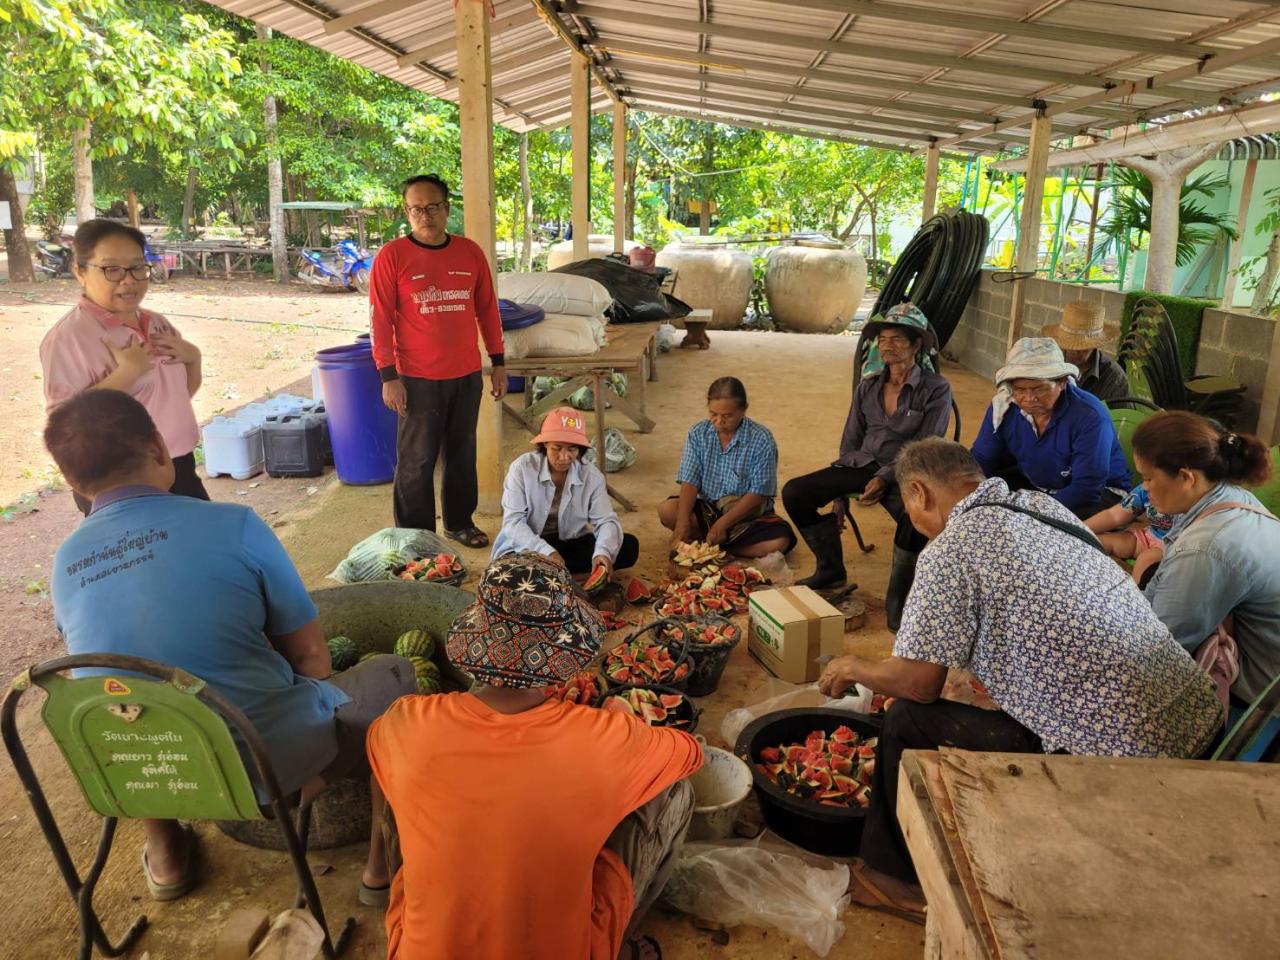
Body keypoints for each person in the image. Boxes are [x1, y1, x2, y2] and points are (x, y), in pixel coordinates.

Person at [817, 438, 1222, 923]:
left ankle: (890, 878)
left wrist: (852, 667)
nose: (918, 526)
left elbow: (919, 682)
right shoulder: (1040, 505)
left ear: (920, 493)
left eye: (910, 510)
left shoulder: (953, 547)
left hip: (1128, 762)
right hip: (1198, 724)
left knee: (906, 717)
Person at [45, 389, 412, 906]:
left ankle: (167, 853)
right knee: (395, 674)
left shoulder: (65, 562)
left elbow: (110, 661)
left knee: (133, 700)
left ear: (71, 481)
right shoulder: (232, 524)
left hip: (138, 771)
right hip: (260, 771)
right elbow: (312, 659)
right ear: (157, 447)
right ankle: (380, 868)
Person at [367, 552, 702, 960]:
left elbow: (378, 749)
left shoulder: (405, 722)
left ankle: (375, 877)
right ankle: (619, 940)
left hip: (418, 951)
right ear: (562, 656)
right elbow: (689, 754)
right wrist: (625, 722)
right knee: (677, 792)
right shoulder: (602, 737)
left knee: (392, 773)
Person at [781, 302, 952, 627]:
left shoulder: (936, 389)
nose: (887, 345)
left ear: (916, 345)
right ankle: (830, 567)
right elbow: (850, 442)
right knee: (795, 492)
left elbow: (926, 445)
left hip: (908, 472)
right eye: (882, 338)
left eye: (897, 339)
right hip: (861, 466)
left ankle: (898, 597)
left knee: (914, 516)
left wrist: (886, 477)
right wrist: (840, 490)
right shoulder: (868, 386)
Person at [371, 173, 506, 548]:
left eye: (432, 207)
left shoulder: (470, 252)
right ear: (406, 211)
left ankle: (460, 522)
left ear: (447, 209)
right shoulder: (392, 256)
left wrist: (498, 361)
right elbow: (379, 319)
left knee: (462, 454)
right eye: (415, 209)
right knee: (416, 462)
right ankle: (416, 537)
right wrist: (388, 375)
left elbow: (487, 311)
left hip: (465, 374)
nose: (424, 215)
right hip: (416, 378)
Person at [40, 219, 206, 515]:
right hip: (121, 482)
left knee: (200, 550)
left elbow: (180, 394)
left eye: (137, 267)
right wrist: (126, 375)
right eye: (111, 269)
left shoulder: (156, 323)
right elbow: (64, 428)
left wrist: (193, 357)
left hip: (178, 464)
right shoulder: (69, 338)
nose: (128, 280)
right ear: (80, 271)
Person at [1135, 412, 1279, 708]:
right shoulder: (1230, 497)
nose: (1145, 488)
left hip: (1259, 699)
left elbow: (1156, 652)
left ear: (1187, 477)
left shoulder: (1206, 548)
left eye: (1148, 478)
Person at [972, 337, 1131, 519]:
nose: (1029, 398)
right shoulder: (1003, 406)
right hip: (1041, 486)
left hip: (1098, 493)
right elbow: (982, 460)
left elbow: (1087, 486)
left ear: (1062, 382)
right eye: (1020, 390)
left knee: (1048, 529)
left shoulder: (1089, 415)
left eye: (1039, 389)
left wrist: (1032, 512)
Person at [491, 406, 640, 579]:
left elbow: (606, 520)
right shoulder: (522, 469)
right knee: (509, 567)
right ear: (545, 444)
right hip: (528, 544)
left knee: (628, 546)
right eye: (557, 447)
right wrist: (545, 552)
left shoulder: (591, 476)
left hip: (569, 542)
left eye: (572, 449)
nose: (564, 457)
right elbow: (513, 524)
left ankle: (552, 578)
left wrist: (603, 552)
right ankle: (566, 577)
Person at [659, 376, 796, 559]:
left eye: (727, 416)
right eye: (713, 414)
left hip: (744, 515)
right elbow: (690, 480)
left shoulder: (762, 439)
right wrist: (682, 524)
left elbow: (758, 493)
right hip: (707, 509)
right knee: (667, 511)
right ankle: (715, 541)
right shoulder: (698, 433)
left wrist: (722, 524)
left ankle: (718, 547)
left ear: (744, 410)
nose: (718, 422)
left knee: (779, 542)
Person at [1085, 482, 1176, 584]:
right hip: (1148, 536)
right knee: (1097, 541)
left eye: (1150, 478)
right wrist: (1080, 529)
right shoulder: (1147, 489)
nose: (1145, 485)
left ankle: (1131, 595)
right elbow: (1114, 516)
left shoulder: (1191, 506)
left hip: (1174, 548)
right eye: (1145, 478)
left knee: (1146, 559)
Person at [1044, 300, 1130, 403]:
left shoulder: (1114, 377)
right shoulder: (1048, 363)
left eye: (1081, 347)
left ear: (1095, 345)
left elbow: (1122, 417)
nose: (1073, 349)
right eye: (1067, 343)